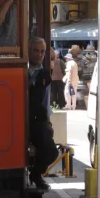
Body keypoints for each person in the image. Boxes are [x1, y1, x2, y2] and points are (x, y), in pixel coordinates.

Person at [28, 37, 59, 190]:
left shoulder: (45, 74)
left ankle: (36, 174)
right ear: (28, 50)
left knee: (52, 151)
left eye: (42, 51)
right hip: (17, 119)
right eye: (36, 50)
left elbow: (46, 101)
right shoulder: (20, 69)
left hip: (37, 119)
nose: (39, 54)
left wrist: (48, 122)